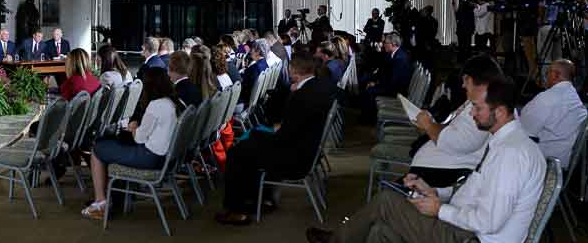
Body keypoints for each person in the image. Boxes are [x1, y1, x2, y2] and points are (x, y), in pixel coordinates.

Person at [306, 76, 545, 243]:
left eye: (477, 108)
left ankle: (337, 240)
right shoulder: (502, 143)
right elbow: (473, 190)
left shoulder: (512, 155)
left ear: (501, 112)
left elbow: (489, 222)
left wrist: (440, 210)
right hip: (464, 227)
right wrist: (434, 192)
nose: (472, 113)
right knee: (380, 232)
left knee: (387, 201)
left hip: (472, 238)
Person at [216, 54, 338, 225]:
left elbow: (284, 136)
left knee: (237, 153)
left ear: (294, 71)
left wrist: (263, 136)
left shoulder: (301, 96)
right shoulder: (316, 87)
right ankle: (260, 198)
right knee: (251, 142)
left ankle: (236, 210)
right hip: (306, 150)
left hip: (294, 158)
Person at [80, 68, 183, 220]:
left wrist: (133, 127)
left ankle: (100, 202)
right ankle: (112, 196)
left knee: (98, 149)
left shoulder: (156, 105)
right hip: (166, 158)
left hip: (150, 157)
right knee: (111, 146)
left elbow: (139, 139)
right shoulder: (175, 102)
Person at [404, 56, 504, 195]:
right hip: (439, 168)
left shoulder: (485, 109)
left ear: (478, 81)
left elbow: (459, 143)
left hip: (448, 174)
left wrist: (429, 126)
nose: (463, 85)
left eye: (466, 80)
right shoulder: (476, 103)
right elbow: (455, 131)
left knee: (386, 201)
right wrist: (431, 124)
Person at [520, 59, 588, 160]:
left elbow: (522, 129)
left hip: (544, 160)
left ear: (556, 75)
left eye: (548, 72)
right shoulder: (575, 99)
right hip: (563, 159)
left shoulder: (547, 98)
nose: (545, 76)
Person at [238, 39, 270, 105]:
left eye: (252, 49)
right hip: (256, 99)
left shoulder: (255, 67)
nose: (250, 51)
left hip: (246, 100)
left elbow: (245, 85)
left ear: (258, 51)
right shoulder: (265, 64)